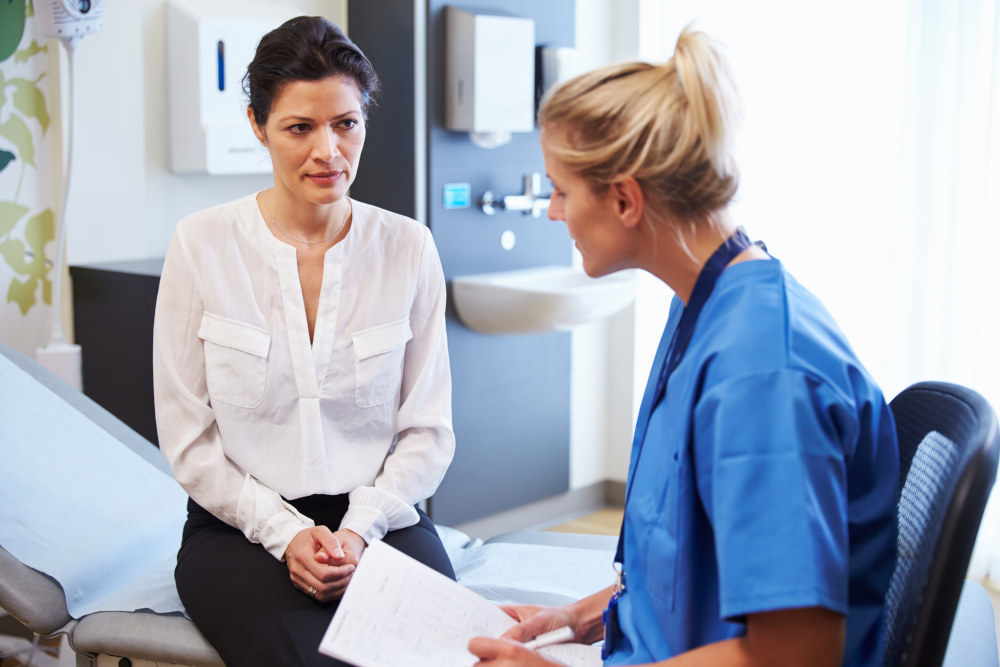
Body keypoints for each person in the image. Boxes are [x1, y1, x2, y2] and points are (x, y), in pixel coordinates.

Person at [469, 27, 899, 667]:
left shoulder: (762, 373)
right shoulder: (709, 303)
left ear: (624, 199)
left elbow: (796, 654)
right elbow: (683, 549)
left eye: (560, 190)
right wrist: (578, 617)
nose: (553, 213)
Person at [152, 16, 456, 667]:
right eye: (300, 128)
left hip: (381, 519)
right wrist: (285, 531)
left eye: (346, 123)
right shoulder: (200, 246)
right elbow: (188, 435)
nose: (329, 151)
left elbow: (427, 429)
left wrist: (358, 529)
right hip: (238, 526)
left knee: (444, 654)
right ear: (258, 126)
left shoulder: (408, 248)